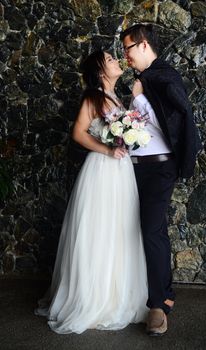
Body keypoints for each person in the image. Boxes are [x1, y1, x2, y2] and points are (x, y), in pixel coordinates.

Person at [34, 50, 148, 334]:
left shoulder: (115, 98)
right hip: (101, 170)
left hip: (121, 172)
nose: (115, 61)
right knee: (99, 230)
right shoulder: (93, 97)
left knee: (120, 229)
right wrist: (109, 149)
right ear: (99, 71)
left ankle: (117, 295)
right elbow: (79, 133)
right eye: (110, 59)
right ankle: (94, 298)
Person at [120, 24, 202, 336]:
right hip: (133, 167)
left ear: (142, 46)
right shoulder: (141, 81)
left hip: (158, 168)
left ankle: (160, 303)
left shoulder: (163, 76)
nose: (125, 54)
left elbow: (177, 118)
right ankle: (137, 294)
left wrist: (141, 98)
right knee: (138, 230)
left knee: (152, 230)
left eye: (128, 47)